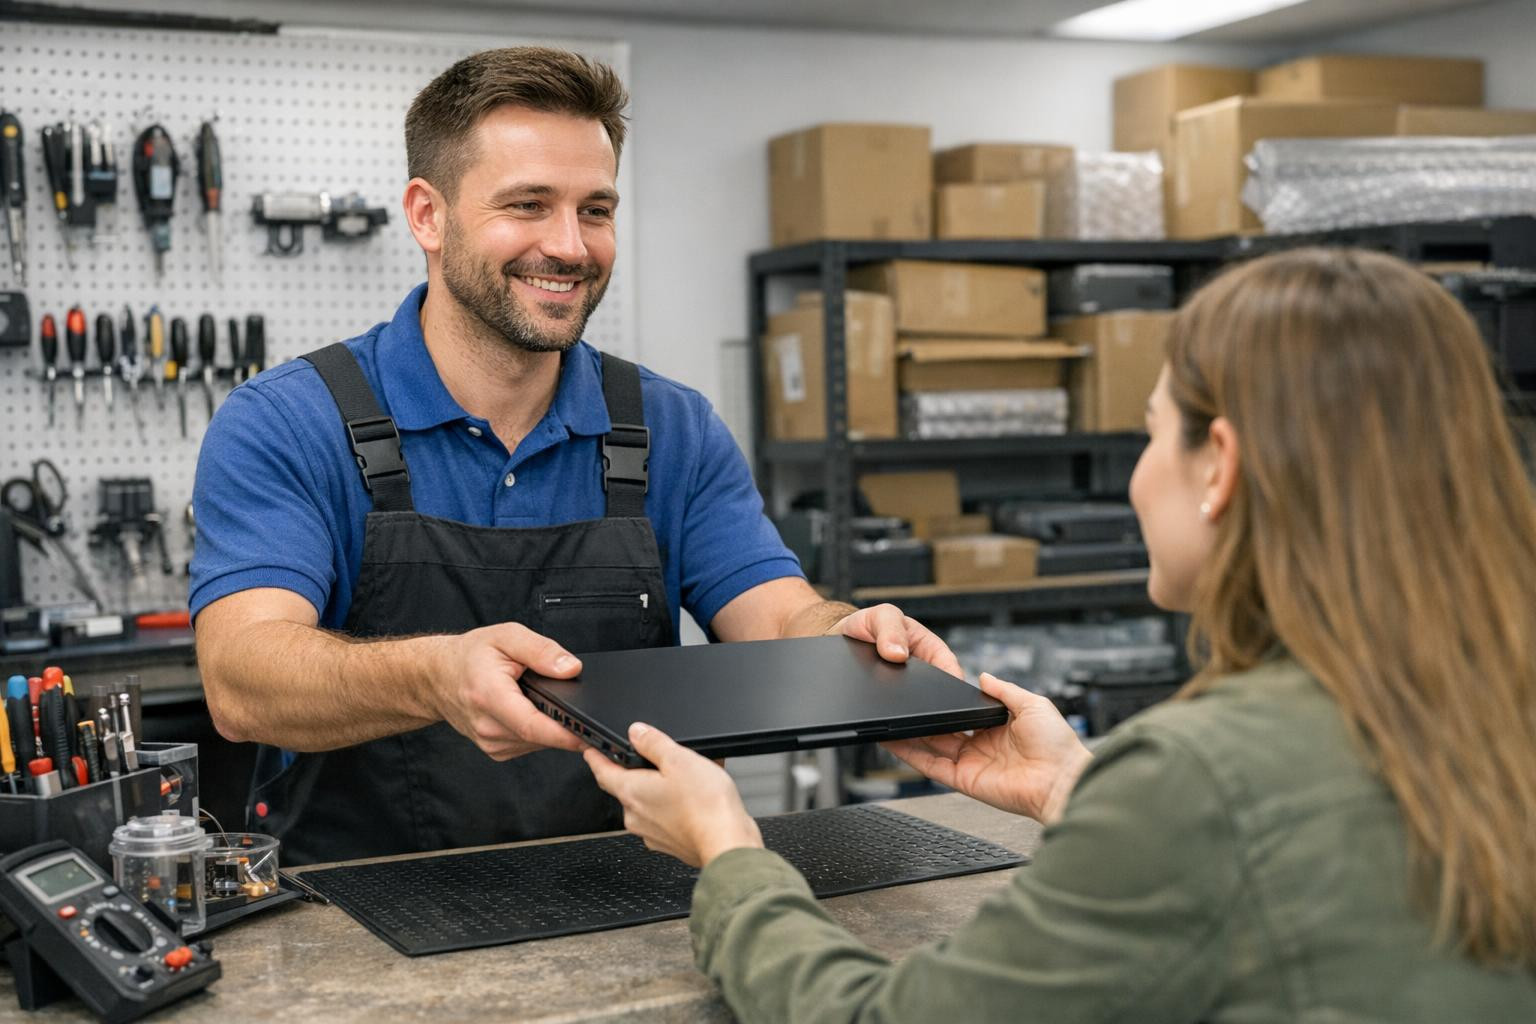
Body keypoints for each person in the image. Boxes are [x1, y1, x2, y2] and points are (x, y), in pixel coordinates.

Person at [587, 247, 1536, 1021]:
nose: (1137, 477)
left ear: (1222, 468)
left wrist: (729, 856)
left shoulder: (1199, 774)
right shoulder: (1487, 701)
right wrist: (1082, 792)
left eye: (1153, 432)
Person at [190, 46, 956, 865]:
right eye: (527, 204)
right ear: (427, 215)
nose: (570, 246)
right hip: (360, 920)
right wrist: (437, 676)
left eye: (596, 210)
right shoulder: (287, 422)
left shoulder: (670, 426)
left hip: (631, 901)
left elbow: (775, 613)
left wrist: (849, 634)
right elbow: (242, 679)